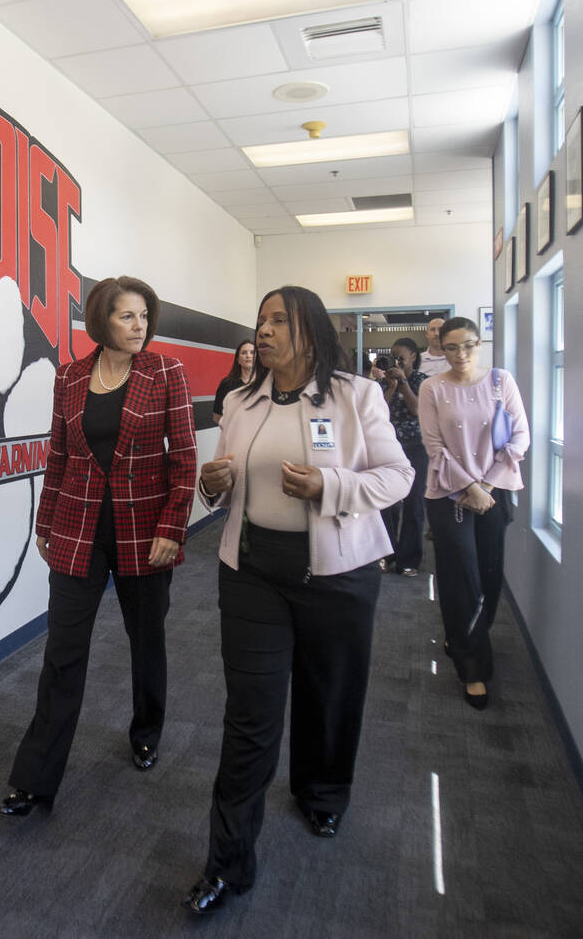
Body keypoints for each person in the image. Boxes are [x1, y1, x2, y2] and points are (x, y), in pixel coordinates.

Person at [182, 286, 413, 914]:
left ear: (308, 330)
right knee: (249, 717)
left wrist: (329, 484)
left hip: (338, 577)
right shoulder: (239, 401)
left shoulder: (354, 396)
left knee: (328, 696)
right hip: (253, 574)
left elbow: (398, 477)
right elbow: (223, 487)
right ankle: (228, 864)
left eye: (278, 320)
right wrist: (212, 483)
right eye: (260, 320)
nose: (264, 330)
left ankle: (322, 795)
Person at [0, 275, 197, 816]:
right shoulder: (72, 376)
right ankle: (36, 778)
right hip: (79, 530)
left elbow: (184, 458)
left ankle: (147, 730)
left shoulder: (165, 373)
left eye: (144, 317)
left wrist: (172, 528)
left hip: (145, 533)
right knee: (62, 654)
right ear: (101, 321)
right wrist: (45, 523)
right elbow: (59, 455)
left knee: (146, 641)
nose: (140, 327)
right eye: (127, 317)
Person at [419, 317, 529, 710]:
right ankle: (474, 668)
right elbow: (434, 446)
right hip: (449, 495)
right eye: (452, 347)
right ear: (441, 349)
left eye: (468, 345)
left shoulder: (501, 381)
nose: (461, 354)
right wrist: (469, 487)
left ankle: (464, 635)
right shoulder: (432, 387)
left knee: (490, 574)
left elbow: (520, 436)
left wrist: (487, 486)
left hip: (494, 492)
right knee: (461, 577)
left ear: (479, 344)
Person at [380, 338, 429, 576]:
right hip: (389, 447)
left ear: (413, 357)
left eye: (401, 357)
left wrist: (403, 383)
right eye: (393, 357)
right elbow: (378, 413)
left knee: (414, 502)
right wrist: (390, 386)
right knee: (387, 503)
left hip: (417, 447)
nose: (396, 361)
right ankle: (386, 555)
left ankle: (408, 560)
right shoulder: (383, 383)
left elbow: (418, 410)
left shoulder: (423, 382)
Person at [212, 340, 256, 425]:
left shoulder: (265, 384)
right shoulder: (227, 384)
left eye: (252, 353)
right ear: (238, 360)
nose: (248, 356)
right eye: (244, 353)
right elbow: (217, 416)